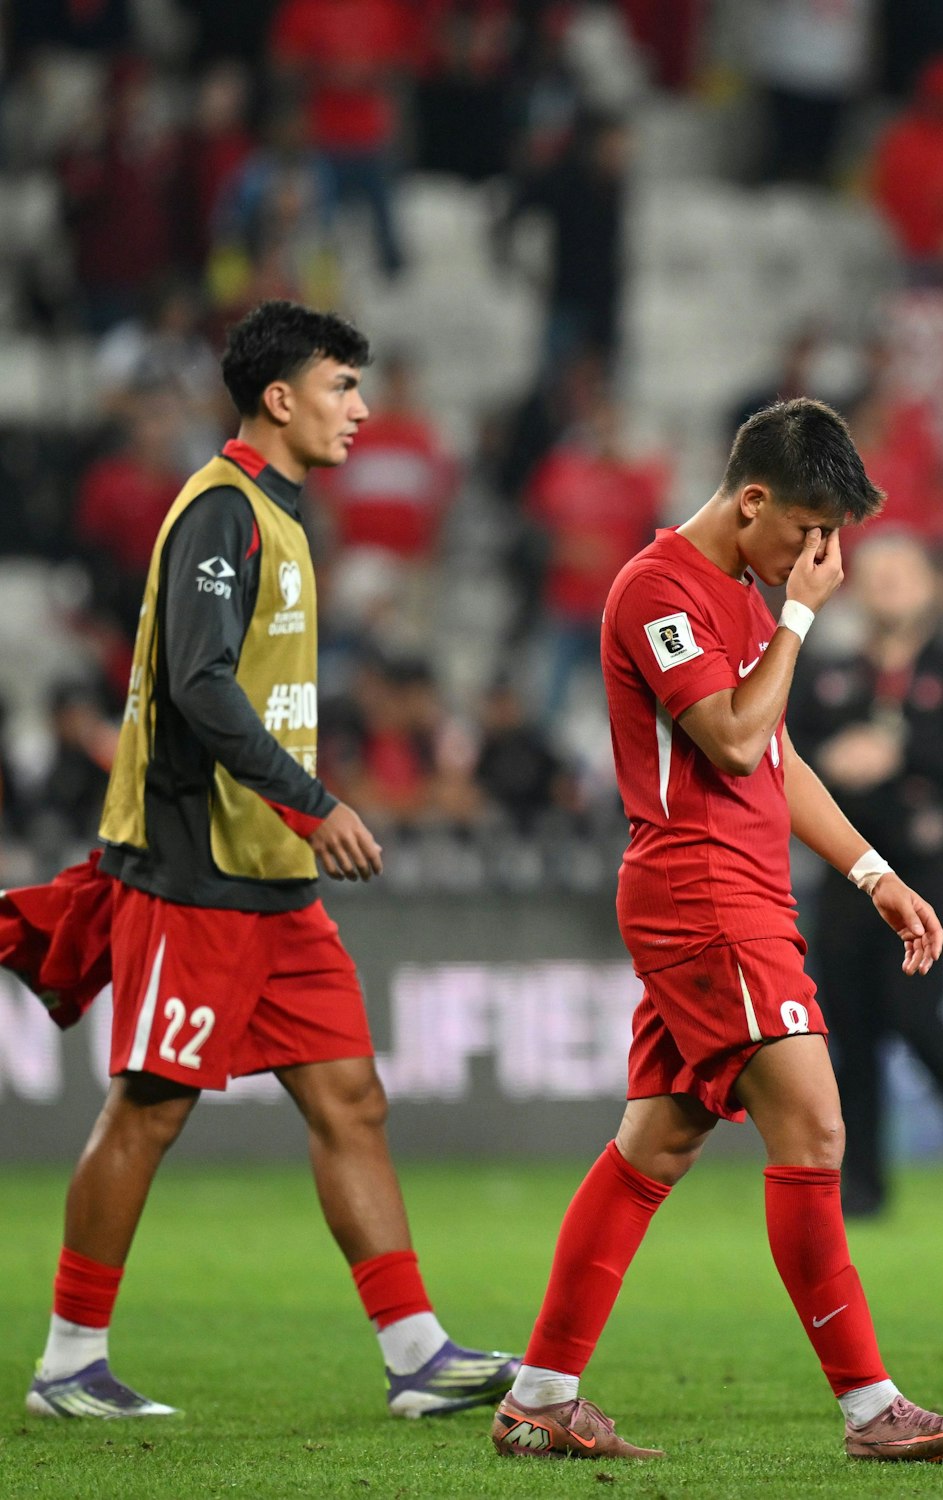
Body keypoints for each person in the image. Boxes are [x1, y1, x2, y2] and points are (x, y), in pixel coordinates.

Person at [31, 300, 518, 1420]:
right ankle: (67, 1364)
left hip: (269, 875)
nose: (361, 409)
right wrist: (314, 803)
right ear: (281, 398)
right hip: (195, 866)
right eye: (343, 386)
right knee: (150, 1105)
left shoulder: (281, 516)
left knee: (351, 1096)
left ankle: (415, 1354)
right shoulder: (221, 510)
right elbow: (198, 685)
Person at [490, 399, 943, 1465]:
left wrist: (871, 871)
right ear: (753, 501)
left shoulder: (738, 593)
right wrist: (799, 621)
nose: (822, 560)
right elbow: (728, 738)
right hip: (704, 891)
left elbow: (776, 759)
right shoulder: (657, 589)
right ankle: (871, 1409)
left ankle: (539, 1395)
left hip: (738, 890)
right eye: (811, 533)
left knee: (655, 1144)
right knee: (815, 1133)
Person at [787, 535, 943, 1220]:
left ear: (930, 586)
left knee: (914, 1008)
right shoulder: (830, 674)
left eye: (901, 574)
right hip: (852, 867)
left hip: (928, 865)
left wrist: (901, 752)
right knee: (850, 1019)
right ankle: (864, 1182)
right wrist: (834, 758)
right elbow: (788, 750)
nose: (888, 587)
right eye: (877, 576)